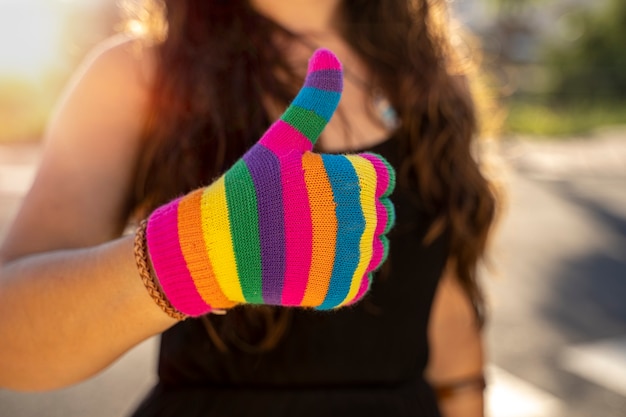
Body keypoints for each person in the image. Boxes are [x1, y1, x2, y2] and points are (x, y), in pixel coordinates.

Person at [0, 0, 497, 416]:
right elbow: (11, 343)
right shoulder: (139, 74)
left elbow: (449, 321)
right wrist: (199, 254)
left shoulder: (431, 75)